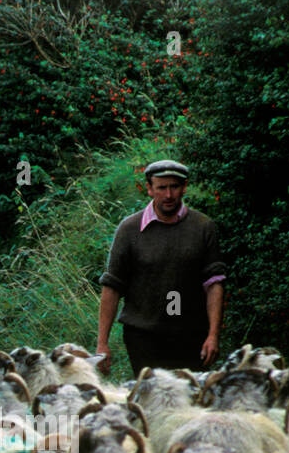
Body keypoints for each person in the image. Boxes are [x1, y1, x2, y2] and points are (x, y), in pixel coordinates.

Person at [95, 159, 225, 377]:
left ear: (184, 187)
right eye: (161, 188)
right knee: (151, 398)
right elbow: (112, 286)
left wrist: (213, 335)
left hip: (191, 334)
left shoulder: (203, 227)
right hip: (143, 336)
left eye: (174, 186)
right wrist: (102, 343)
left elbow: (214, 284)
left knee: (191, 400)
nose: (168, 195)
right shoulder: (129, 230)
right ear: (149, 189)